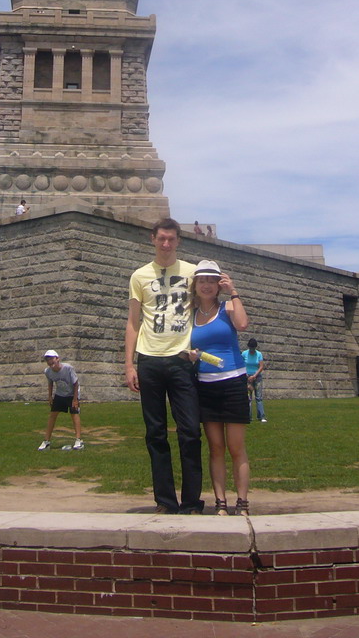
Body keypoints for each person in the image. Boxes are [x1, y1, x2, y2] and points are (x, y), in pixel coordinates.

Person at [125, 217, 203, 514]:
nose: (166, 243)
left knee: (190, 432)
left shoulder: (194, 272)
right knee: (155, 433)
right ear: (153, 239)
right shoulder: (139, 276)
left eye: (171, 239)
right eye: (162, 239)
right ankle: (165, 501)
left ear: (178, 241)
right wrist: (129, 365)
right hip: (149, 359)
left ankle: (192, 501)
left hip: (182, 360)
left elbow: (209, 305)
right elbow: (133, 322)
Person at [190, 260, 251, 516]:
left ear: (218, 284)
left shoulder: (227, 308)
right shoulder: (190, 315)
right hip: (206, 386)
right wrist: (192, 356)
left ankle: (243, 503)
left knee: (236, 447)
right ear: (195, 285)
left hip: (233, 382)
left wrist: (233, 291)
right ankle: (221, 502)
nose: (206, 285)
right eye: (202, 280)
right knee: (215, 447)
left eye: (212, 281)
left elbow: (243, 324)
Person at [38, 350, 84, 450]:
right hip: (60, 394)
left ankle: (79, 440)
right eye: (47, 360)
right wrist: (50, 396)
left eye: (51, 359)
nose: (50, 362)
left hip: (72, 394)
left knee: (74, 414)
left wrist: (75, 400)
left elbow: (75, 384)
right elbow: (50, 383)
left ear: (57, 358)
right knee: (52, 416)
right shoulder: (48, 371)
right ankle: (46, 441)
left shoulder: (68, 368)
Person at [243, 338, 267, 423]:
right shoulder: (244, 354)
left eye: (253, 348)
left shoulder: (259, 354)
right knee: (248, 398)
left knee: (259, 397)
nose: (252, 350)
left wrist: (254, 376)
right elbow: (242, 365)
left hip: (257, 377)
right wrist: (247, 375)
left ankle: (261, 416)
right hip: (247, 377)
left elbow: (261, 366)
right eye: (250, 348)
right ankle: (248, 416)